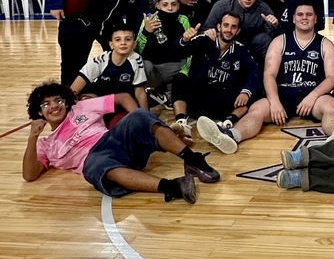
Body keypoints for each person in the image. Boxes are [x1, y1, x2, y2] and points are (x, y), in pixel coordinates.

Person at [23, 82, 220, 203]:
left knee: (140, 115)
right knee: (93, 167)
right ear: (39, 112)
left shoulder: (81, 107)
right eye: (46, 104)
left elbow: (122, 97)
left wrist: (143, 124)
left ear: (66, 102)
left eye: (58, 101)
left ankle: (193, 161)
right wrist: (32, 137)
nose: (54, 106)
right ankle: (173, 187)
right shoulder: (46, 145)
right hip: (96, 159)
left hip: (114, 139)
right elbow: (29, 175)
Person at [197, 1, 334, 153]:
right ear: (293, 19)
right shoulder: (280, 42)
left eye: (309, 15)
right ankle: (231, 136)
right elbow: (269, 74)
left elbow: (332, 77)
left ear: (316, 19)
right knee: (257, 109)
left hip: (313, 97)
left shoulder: (325, 44)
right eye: (300, 14)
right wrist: (274, 101)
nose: (304, 18)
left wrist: (313, 96)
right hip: (283, 94)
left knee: (330, 105)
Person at [48, 0, 149, 86]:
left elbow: (138, 14)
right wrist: (55, 4)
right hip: (78, 26)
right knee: (73, 65)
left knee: (121, 58)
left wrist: (133, 36)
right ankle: (69, 94)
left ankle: (115, 88)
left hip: (108, 26)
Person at [169, 11, 262, 144]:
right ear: (219, 26)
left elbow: (255, 72)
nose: (229, 30)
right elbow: (176, 52)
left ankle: (226, 126)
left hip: (222, 103)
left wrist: (246, 92)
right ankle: (182, 125)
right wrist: (184, 40)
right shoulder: (203, 40)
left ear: (238, 31)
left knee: (252, 92)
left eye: (233, 27)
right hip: (198, 98)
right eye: (226, 25)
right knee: (180, 79)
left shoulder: (241, 50)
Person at [204, 0, 280, 64]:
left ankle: (265, 71)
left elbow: (276, 40)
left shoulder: (264, 9)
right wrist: (210, 33)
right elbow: (205, 30)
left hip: (251, 49)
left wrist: (275, 26)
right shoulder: (221, 7)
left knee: (264, 39)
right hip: (225, 46)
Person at [71, 26, 149, 110]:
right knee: (85, 99)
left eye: (128, 39)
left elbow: (139, 90)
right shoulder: (101, 60)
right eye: (118, 40)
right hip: (101, 98)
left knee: (130, 104)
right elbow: (76, 86)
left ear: (134, 44)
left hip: (122, 101)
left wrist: (146, 114)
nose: (123, 43)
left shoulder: (136, 59)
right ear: (111, 45)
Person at [136, 0, 191, 106]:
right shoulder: (150, 20)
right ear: (158, 5)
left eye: (173, 4)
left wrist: (185, 71)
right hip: (153, 68)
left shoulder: (183, 20)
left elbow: (190, 49)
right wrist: (146, 32)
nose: (170, 8)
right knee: (141, 64)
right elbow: (138, 50)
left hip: (174, 67)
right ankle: (157, 89)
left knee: (181, 98)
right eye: (165, 5)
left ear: (179, 5)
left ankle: (164, 92)